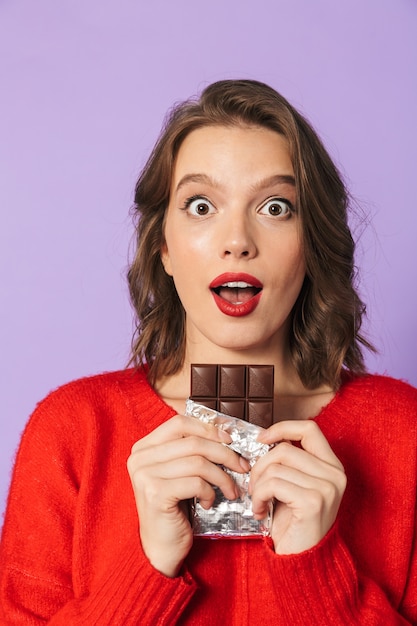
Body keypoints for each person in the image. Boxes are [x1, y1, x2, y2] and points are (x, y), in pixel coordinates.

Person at [0, 79, 416, 625]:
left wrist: (316, 572)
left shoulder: (404, 432)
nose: (237, 239)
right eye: (201, 205)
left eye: (275, 206)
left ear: (312, 243)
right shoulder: (75, 428)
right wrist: (145, 567)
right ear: (164, 246)